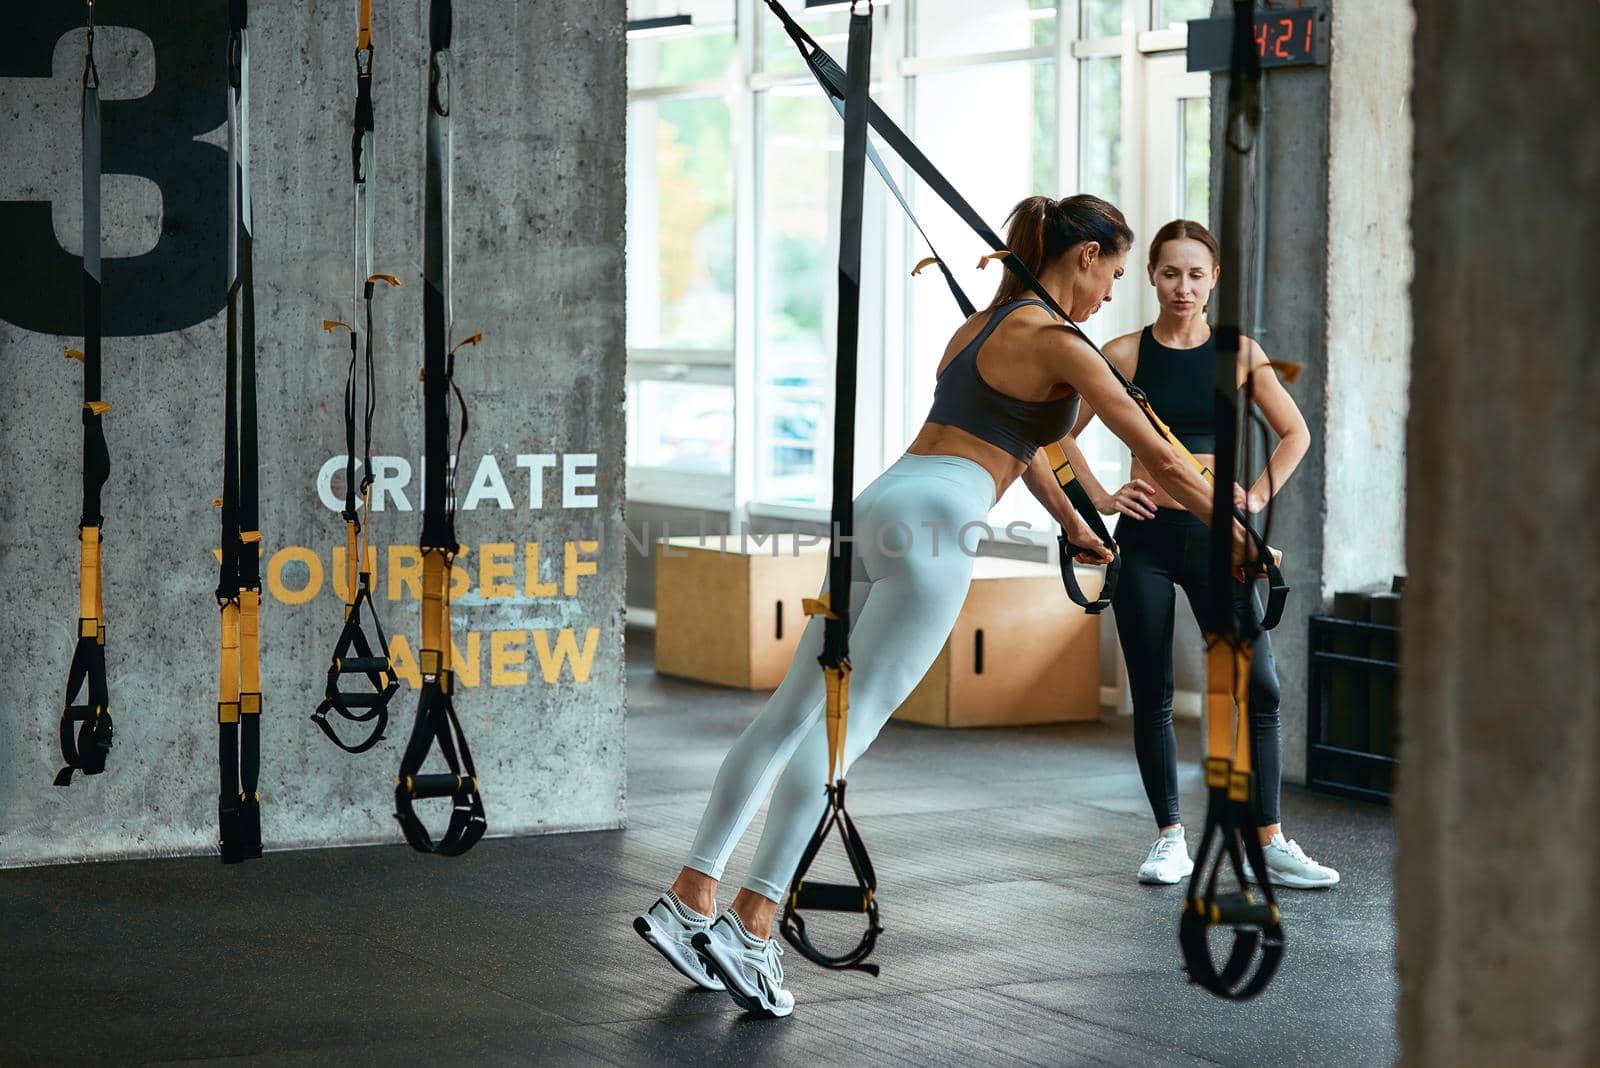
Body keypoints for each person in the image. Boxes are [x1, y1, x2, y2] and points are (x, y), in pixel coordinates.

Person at [635, 196, 1260, 1018]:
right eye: (1113, 269)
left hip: (880, 506)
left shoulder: (983, 327)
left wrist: (1076, 523)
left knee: (792, 710)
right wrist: (1239, 534)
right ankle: (752, 927)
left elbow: (1023, 443)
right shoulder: (1064, 343)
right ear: (1085, 257)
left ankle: (690, 896)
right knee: (845, 725)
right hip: (937, 523)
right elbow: (1169, 465)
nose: (1113, 290)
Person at [1054, 219, 1338, 890]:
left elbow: (1294, 432)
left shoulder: (1237, 355)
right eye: (1171, 272)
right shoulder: (1122, 354)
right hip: (1147, 540)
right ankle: (1168, 838)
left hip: (1221, 542)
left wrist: (1259, 494)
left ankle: (1267, 840)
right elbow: (1054, 436)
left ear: (1214, 281)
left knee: (1258, 688)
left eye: (1196, 274)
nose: (1184, 286)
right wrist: (1099, 495)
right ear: (1151, 276)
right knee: (1152, 692)